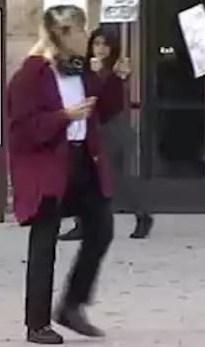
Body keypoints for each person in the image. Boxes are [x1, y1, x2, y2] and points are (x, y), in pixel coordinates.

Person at [5, 5, 123, 345]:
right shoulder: (32, 74)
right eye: (81, 31)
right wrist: (64, 116)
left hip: (82, 159)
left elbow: (106, 108)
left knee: (101, 228)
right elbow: (22, 129)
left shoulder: (80, 68)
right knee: (45, 239)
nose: (87, 37)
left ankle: (72, 304)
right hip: (47, 164)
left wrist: (114, 77)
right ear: (63, 34)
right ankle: (37, 323)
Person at [60, 28, 153, 241]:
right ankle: (82, 223)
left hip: (112, 127)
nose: (100, 49)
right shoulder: (84, 67)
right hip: (89, 127)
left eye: (105, 45)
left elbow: (105, 99)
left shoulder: (115, 71)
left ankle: (142, 214)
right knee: (83, 177)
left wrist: (103, 74)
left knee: (115, 177)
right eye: (97, 44)